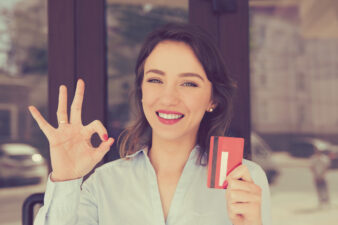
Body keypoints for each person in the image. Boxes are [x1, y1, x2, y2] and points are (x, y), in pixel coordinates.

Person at [29, 23, 271, 225]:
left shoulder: (244, 181)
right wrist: (65, 179)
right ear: (142, 90)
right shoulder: (103, 184)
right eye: (155, 79)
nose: (168, 98)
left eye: (189, 83)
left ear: (213, 99)